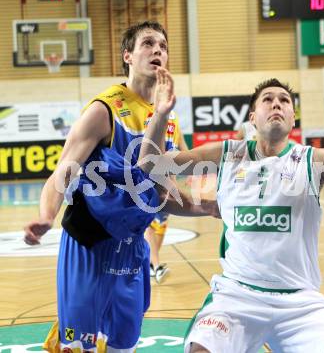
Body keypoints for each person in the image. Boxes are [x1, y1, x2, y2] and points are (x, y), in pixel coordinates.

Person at [139, 54, 324, 353]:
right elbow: (151, 165)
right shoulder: (227, 153)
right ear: (252, 117)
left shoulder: (314, 161)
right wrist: (161, 115)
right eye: (267, 99)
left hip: (300, 301)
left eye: (284, 100)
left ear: (294, 117)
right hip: (236, 296)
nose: (276, 103)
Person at [23, 21, 215, 352]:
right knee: (79, 347)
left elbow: (161, 195)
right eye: (148, 44)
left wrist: (210, 208)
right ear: (127, 55)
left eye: (164, 46)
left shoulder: (166, 117)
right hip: (89, 244)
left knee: (123, 345)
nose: (158, 50)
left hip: (131, 248)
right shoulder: (104, 109)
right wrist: (46, 215)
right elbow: (63, 172)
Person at [146, 133, 189, 284]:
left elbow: (184, 150)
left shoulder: (174, 121)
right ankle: (156, 266)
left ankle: (151, 263)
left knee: (161, 222)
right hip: (148, 179)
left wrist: (191, 172)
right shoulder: (151, 118)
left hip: (168, 181)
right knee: (148, 224)